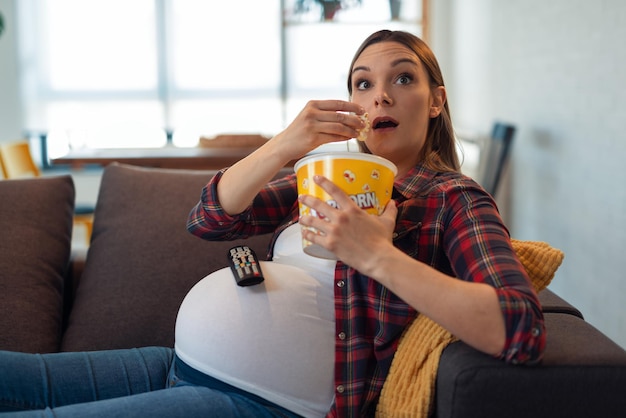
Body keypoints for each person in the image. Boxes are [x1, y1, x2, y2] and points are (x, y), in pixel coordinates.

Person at [0, 30, 544, 418]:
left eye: (403, 78)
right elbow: (208, 219)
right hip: (180, 364)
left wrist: (377, 255)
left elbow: (520, 328)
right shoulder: (326, 176)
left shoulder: (453, 199)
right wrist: (286, 144)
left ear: (435, 102)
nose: (379, 94)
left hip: (262, 401)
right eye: (362, 83)